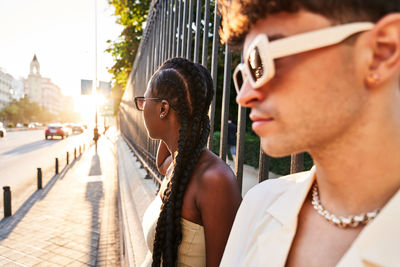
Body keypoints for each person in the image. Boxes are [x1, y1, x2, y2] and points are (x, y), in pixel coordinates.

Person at [218, 1, 400, 266]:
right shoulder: (259, 206)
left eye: (264, 58)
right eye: (244, 73)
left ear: (381, 52)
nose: (244, 96)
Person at [135, 57, 242, 267]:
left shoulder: (214, 180)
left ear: (163, 109)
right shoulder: (177, 164)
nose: (141, 106)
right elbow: (161, 162)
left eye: (143, 100)